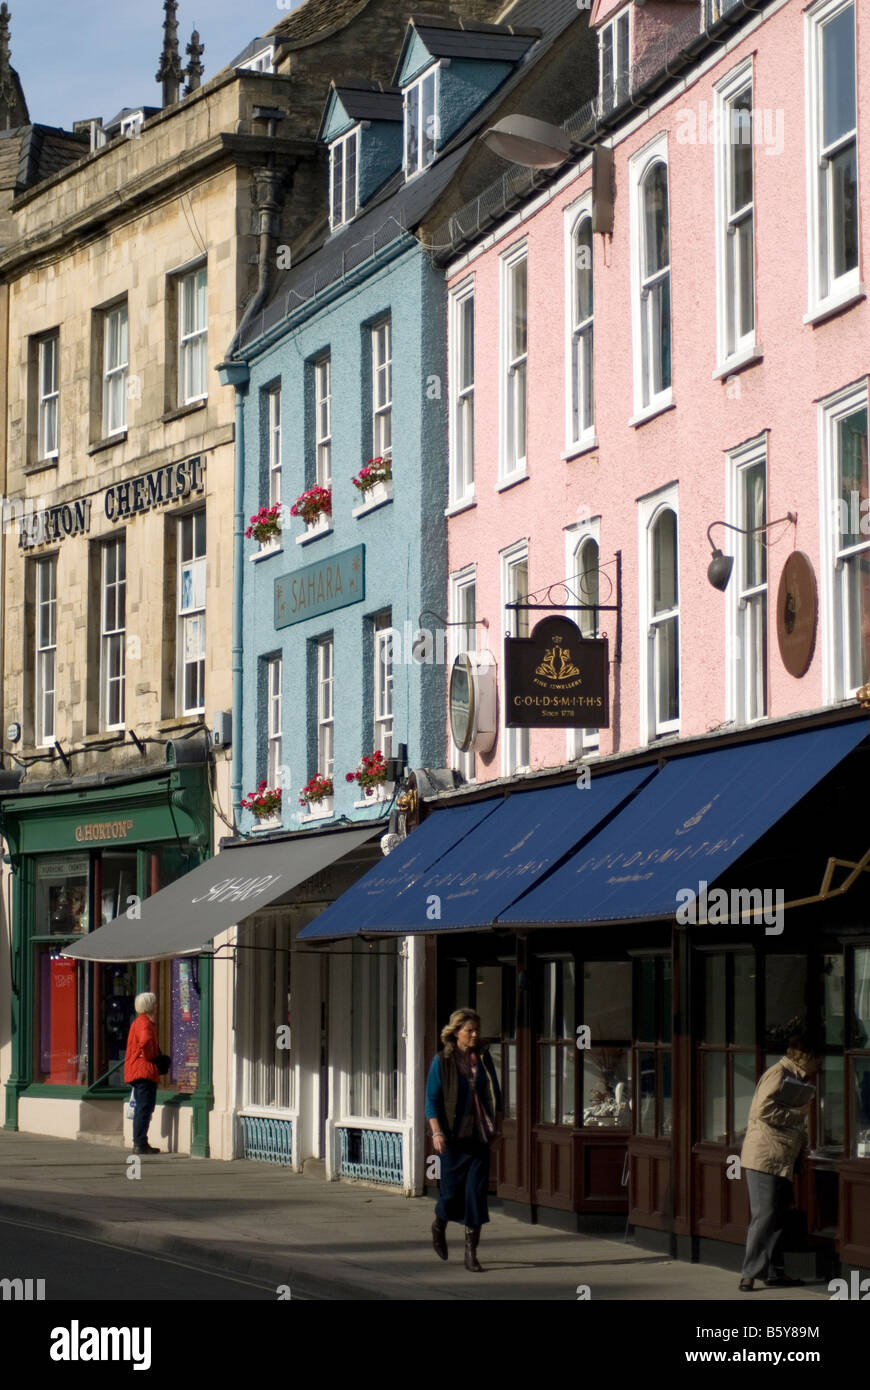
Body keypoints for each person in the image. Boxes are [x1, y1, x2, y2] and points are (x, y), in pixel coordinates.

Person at [738, 1034, 821, 1291]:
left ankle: (774, 1271)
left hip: (782, 1157)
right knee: (765, 1216)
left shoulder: (797, 1077)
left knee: (780, 1217)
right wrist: (797, 1115)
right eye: (817, 1059)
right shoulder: (779, 1074)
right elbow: (761, 1110)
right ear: (806, 1057)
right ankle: (748, 1273)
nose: (819, 1065)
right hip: (765, 1156)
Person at [426, 1008, 503, 1272]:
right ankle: (439, 1224)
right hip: (452, 1138)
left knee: (475, 1195)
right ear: (456, 1032)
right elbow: (432, 1100)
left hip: (479, 1137)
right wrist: (436, 1132)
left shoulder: (482, 1059)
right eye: (469, 1030)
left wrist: (498, 1131)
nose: (474, 1034)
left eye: (476, 1030)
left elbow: (496, 1095)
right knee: (450, 1195)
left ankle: (471, 1253)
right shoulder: (442, 1061)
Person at [125, 992, 161, 1155]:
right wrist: (152, 1056)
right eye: (154, 1003)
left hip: (139, 1070)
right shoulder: (144, 1023)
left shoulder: (140, 1022)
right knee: (144, 1108)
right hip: (143, 1070)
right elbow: (145, 1041)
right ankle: (139, 1142)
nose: (157, 1006)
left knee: (143, 1107)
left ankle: (141, 1141)